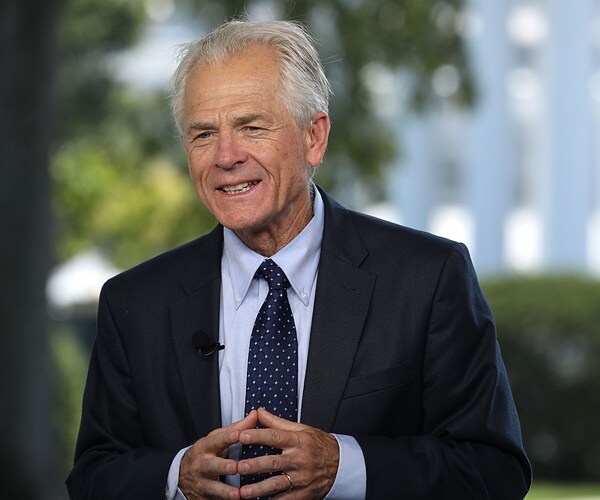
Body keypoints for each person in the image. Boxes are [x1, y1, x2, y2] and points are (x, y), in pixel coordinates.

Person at [67, 19, 531, 500]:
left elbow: (493, 470)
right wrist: (175, 477)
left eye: (251, 127)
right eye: (203, 134)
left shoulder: (427, 278)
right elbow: (94, 476)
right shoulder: (134, 303)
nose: (226, 155)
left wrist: (344, 467)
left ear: (315, 136)